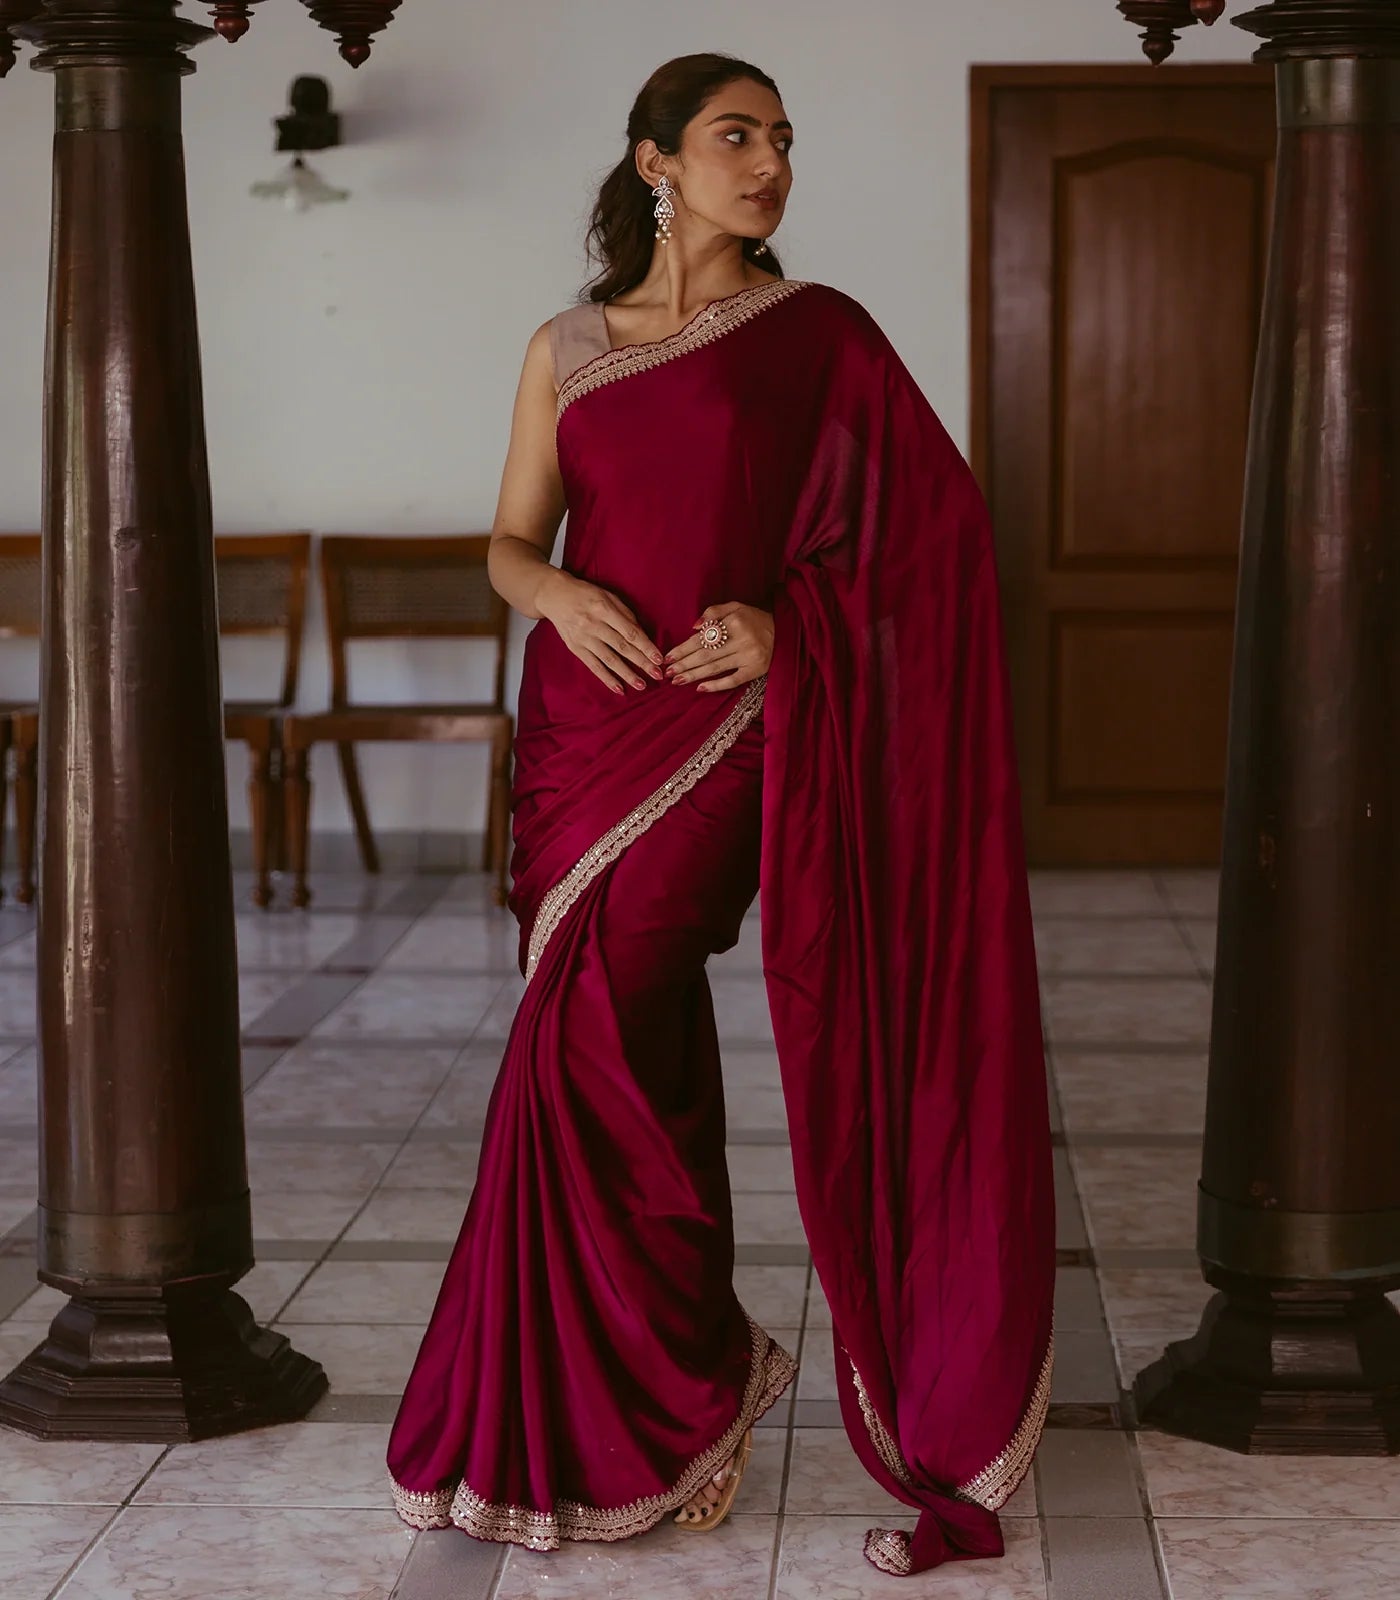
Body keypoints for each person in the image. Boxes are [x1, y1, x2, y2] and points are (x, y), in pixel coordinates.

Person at [386, 50, 1054, 1578]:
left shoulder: (819, 338)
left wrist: (788, 629)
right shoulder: (569, 343)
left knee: (615, 1011)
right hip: (578, 730)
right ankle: (686, 1379)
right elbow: (507, 535)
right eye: (736, 136)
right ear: (655, 165)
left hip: (731, 729)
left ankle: (676, 1385)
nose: (769, 163)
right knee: (609, 1043)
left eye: (782, 139)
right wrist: (549, 587)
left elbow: (931, 541)